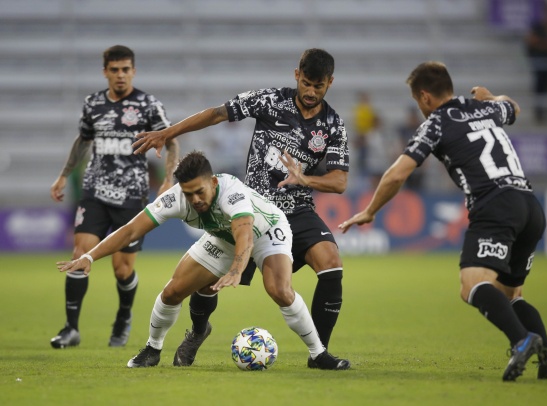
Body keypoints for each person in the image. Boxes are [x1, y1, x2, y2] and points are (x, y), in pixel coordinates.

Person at [339, 61, 547, 381]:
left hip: (495, 205)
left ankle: (522, 340)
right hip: (530, 204)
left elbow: (398, 173)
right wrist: (493, 97)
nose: (420, 109)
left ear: (426, 97)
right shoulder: (484, 108)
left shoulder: (436, 123)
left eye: (418, 102)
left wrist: (371, 210)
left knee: (471, 284)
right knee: (510, 294)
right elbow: (514, 108)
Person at [132, 48, 351, 367]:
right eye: (306, 83)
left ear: (330, 82)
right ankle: (197, 331)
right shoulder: (270, 101)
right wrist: (169, 132)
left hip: (297, 210)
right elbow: (217, 113)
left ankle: (319, 353)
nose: (311, 91)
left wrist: (304, 179)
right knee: (204, 285)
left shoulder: (332, 124)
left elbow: (339, 181)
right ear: (296, 75)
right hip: (251, 209)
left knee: (331, 265)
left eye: (319, 86)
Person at [56, 151, 350, 370]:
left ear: (212, 181)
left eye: (200, 191)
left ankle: (318, 354)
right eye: (188, 193)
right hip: (222, 237)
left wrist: (237, 270)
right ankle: (152, 349)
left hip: (267, 230)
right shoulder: (176, 199)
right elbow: (131, 229)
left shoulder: (231, 191)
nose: (195, 199)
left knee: (279, 290)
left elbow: (245, 232)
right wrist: (90, 256)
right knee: (172, 291)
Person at [49, 45, 179, 349]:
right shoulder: (93, 104)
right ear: (105, 71)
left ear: (133, 70)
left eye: (126, 69)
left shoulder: (148, 105)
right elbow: (83, 141)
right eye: (114, 69)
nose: (120, 75)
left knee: (123, 270)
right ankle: (71, 328)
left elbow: (171, 143)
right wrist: (64, 175)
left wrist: (168, 179)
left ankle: (122, 317)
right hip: (94, 191)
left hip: (131, 197)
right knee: (81, 254)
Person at [524, 1, 547, 124]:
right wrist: (546, 45)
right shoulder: (537, 26)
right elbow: (531, 41)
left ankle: (546, 112)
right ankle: (538, 112)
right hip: (539, 62)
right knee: (539, 87)